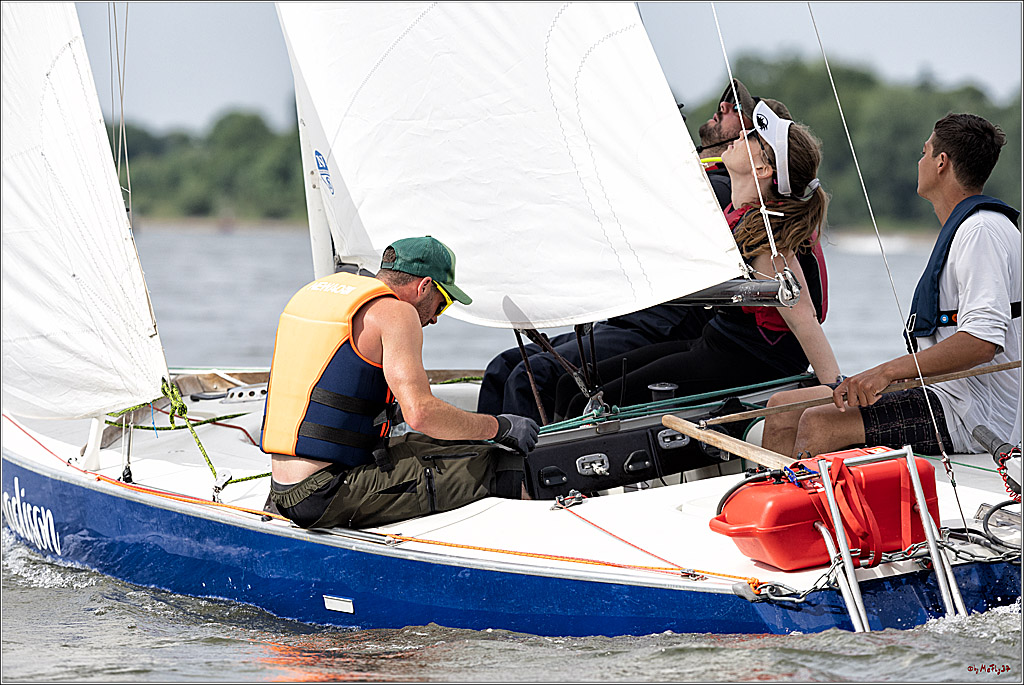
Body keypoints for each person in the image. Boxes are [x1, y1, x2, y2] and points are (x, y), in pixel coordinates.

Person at [476, 79, 792, 424]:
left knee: (530, 376)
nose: (724, 106)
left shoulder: (720, 189)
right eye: (725, 101)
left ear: (756, 151)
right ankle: (486, 473)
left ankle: (520, 476)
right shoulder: (701, 179)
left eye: (738, 111)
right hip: (627, 317)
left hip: (659, 325)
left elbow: (644, 217)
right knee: (502, 368)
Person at [555, 102, 841, 419]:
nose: (743, 134)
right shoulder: (737, 213)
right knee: (571, 386)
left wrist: (835, 390)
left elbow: (805, 320)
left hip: (750, 361)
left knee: (588, 401)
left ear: (762, 169)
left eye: (754, 137)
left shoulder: (768, 242)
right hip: (717, 341)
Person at [761, 113, 1022, 458]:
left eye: (924, 152)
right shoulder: (971, 228)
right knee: (781, 409)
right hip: (946, 394)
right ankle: (764, 505)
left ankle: (801, 510)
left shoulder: (980, 233)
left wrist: (885, 372)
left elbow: (982, 341)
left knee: (820, 422)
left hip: (974, 414)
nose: (920, 161)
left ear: (941, 162)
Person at [261, 236, 540, 529]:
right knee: (500, 465)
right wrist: (499, 427)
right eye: (441, 303)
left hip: (282, 488)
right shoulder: (396, 312)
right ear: (425, 286)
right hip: (325, 493)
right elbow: (420, 414)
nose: (434, 319)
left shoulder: (317, 294)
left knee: (447, 442)